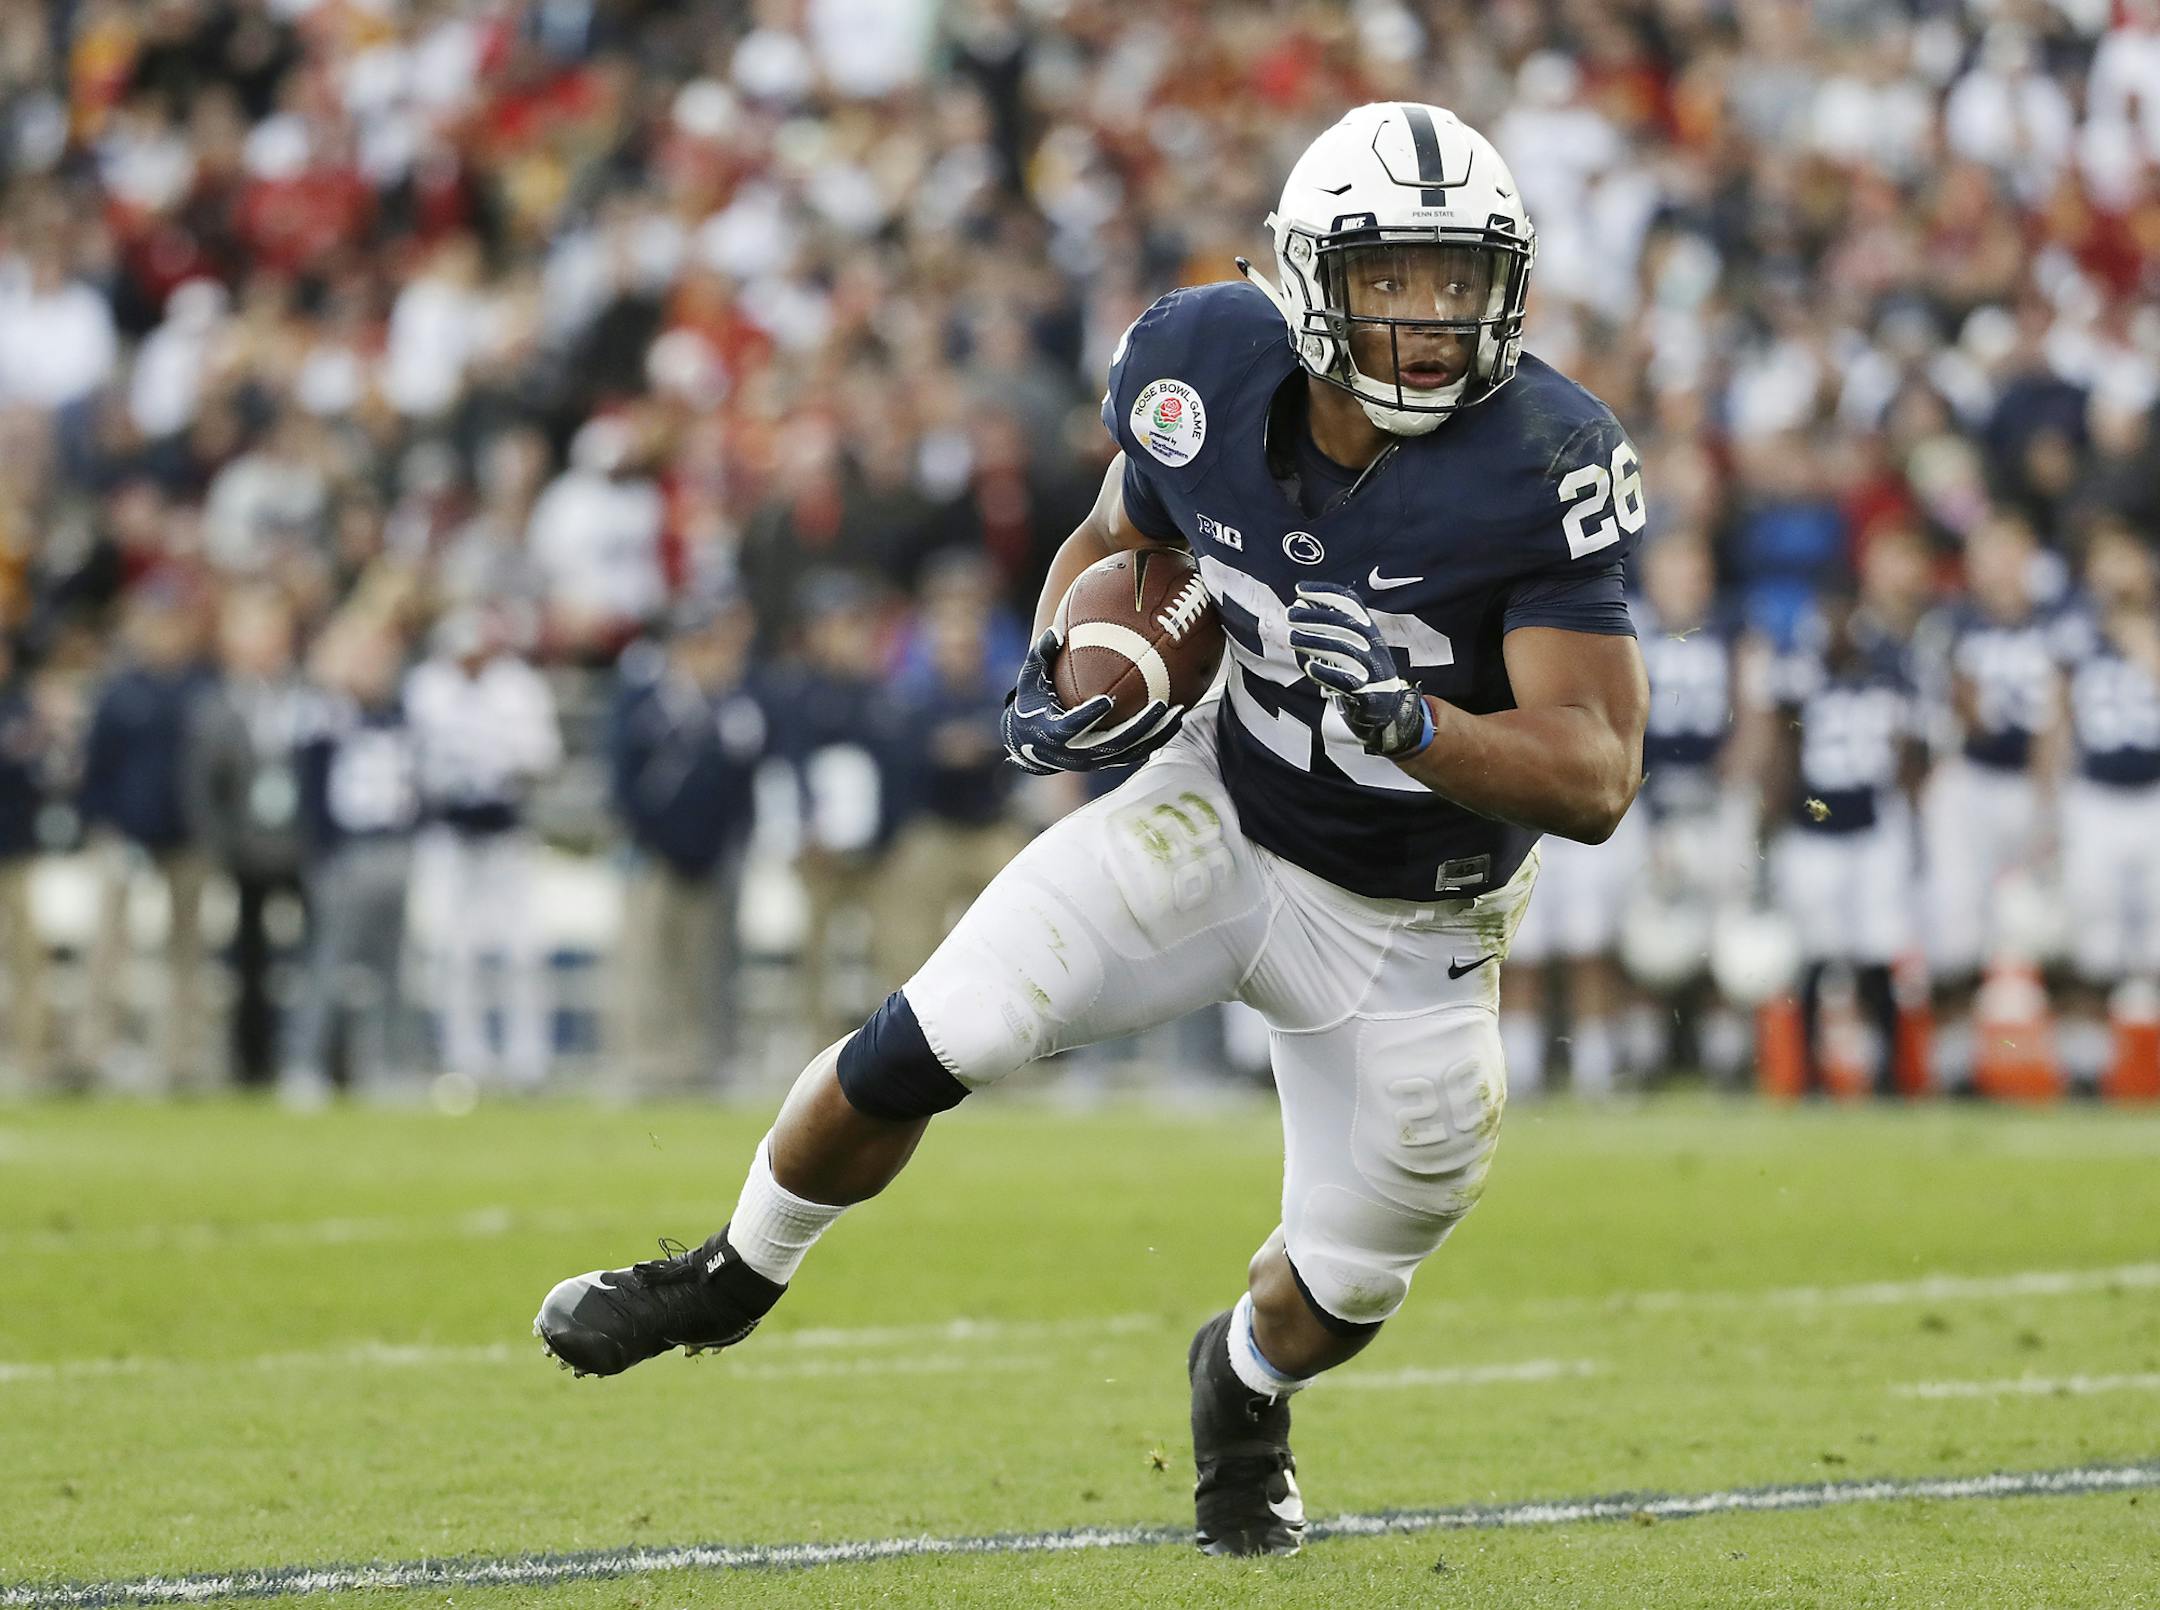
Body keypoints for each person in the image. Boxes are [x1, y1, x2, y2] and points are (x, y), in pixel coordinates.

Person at [535, 104, 1648, 1558]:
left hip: (1414, 920)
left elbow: (1598, 768)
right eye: (1394, 277)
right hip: (1220, 813)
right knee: (935, 1032)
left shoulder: (1544, 456)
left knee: (1343, 1288)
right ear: (1314, 279)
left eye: (1459, 278)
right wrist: (1072, 651)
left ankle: (1241, 1383)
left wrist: (1419, 725)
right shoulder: (1199, 361)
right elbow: (1123, 536)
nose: (1432, 318)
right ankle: (731, 1273)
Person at [1911, 513, 2064, 1094]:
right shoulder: (1951, 625)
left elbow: (2064, 713)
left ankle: (2075, 1066)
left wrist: (2053, 797)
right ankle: (1954, 1068)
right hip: (1969, 780)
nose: (1997, 567)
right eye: (1987, 553)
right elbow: (1935, 716)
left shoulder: (2060, 622)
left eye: (2009, 552)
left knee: (2052, 928)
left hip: (2034, 782)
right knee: (1955, 930)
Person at [1755, 589, 1927, 1096]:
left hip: (1874, 826)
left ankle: (1889, 1073)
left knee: (1877, 954)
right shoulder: (1799, 672)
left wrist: (1916, 822)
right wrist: (1768, 817)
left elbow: (1912, 751)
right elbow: (1782, 746)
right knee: (1815, 956)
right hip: (1814, 829)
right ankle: (1807, 1073)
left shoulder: (1893, 668)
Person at [606, 590, 769, 1094]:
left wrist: (732, 843)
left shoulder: (737, 710)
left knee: (708, 966)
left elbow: (744, 788)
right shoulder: (645, 702)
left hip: (714, 854)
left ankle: (704, 1064)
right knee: (648, 960)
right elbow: (623, 781)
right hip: (655, 855)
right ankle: (645, 1064)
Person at [405, 608, 563, 1092]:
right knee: (454, 954)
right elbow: (412, 762)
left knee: (521, 952)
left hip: (506, 834)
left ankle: (527, 1060)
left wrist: (501, 764)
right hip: (448, 835)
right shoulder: (426, 687)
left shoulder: (518, 689)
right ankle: (464, 1058)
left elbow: (543, 759)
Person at [280, 614, 421, 1106]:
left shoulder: (400, 713)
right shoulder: (327, 715)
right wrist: (321, 854)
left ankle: (387, 1067)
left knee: (392, 968)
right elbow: (310, 790)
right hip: (347, 852)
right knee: (328, 963)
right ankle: (304, 1066)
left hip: (394, 848)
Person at [79, 583, 214, 1092]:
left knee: (186, 949)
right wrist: (104, 825)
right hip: (124, 835)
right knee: (109, 944)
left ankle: (180, 1057)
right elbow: (97, 768)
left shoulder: (201, 688)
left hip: (186, 835)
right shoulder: (120, 690)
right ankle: (96, 1050)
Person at [183, 585, 316, 1087]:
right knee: (249, 962)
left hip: (298, 846)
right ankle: (251, 1063)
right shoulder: (216, 703)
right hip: (246, 850)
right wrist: (219, 847)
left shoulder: (305, 693)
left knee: (314, 957)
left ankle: (312, 1055)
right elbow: (202, 786)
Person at [2051, 522, 2160, 1092]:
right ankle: (2087, 1068)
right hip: (2094, 794)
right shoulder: (2074, 629)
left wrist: (2143, 643)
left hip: (2155, 792)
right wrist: (2047, 803)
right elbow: (2059, 719)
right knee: (2093, 934)